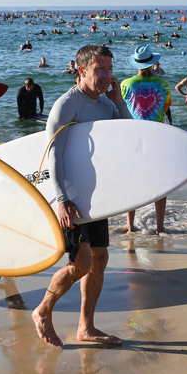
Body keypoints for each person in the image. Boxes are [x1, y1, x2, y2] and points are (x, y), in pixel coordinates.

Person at [31, 44, 130, 348]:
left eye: (110, 69)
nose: (107, 75)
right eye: (100, 69)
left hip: (93, 196)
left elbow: (130, 136)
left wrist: (119, 101)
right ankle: (42, 309)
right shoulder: (67, 105)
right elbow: (54, 154)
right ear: (82, 70)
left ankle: (86, 327)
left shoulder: (106, 104)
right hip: (68, 197)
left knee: (100, 257)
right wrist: (61, 199)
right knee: (81, 263)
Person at [120, 44, 171, 233]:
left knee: (132, 181)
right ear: (152, 63)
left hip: (132, 136)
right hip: (157, 136)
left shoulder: (126, 84)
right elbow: (165, 108)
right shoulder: (163, 84)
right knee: (160, 183)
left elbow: (120, 107)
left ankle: (130, 226)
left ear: (136, 64)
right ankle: (160, 227)